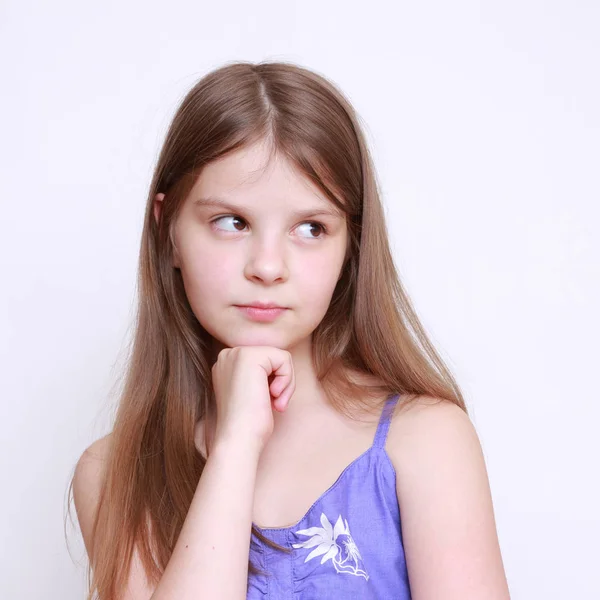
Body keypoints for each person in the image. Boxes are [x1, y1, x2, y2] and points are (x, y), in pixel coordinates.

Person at [69, 60, 511, 599]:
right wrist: (235, 444)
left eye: (310, 228)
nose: (268, 266)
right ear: (168, 231)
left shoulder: (424, 441)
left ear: (351, 244)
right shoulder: (114, 475)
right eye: (231, 222)